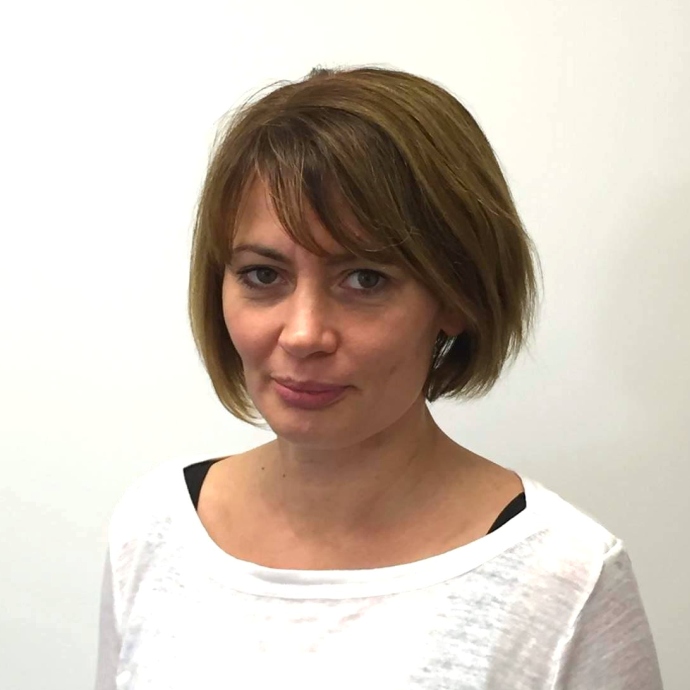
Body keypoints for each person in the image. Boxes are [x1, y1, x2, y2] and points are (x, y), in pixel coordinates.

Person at [94, 65, 663, 689]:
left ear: (456, 297)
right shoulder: (154, 529)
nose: (303, 334)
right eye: (263, 275)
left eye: (365, 279)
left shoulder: (566, 582)